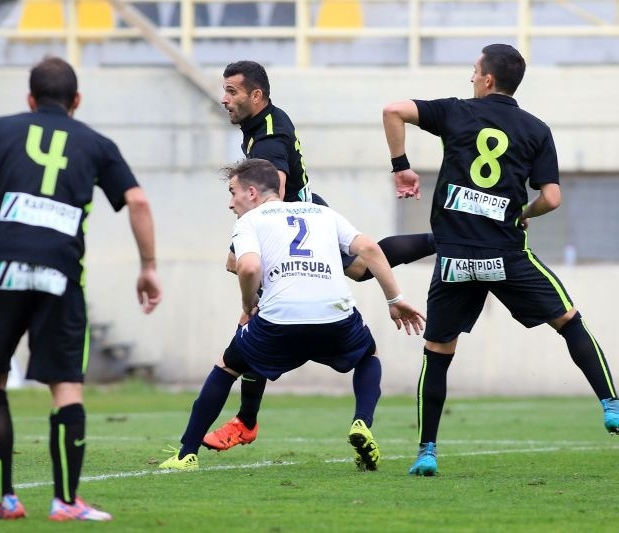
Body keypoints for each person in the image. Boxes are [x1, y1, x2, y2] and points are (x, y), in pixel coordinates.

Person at [0, 57, 162, 519]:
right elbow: (138, 200)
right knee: (66, 387)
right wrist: (147, 266)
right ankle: (66, 501)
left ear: (30, 99)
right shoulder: (96, 143)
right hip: (59, 272)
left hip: (1, 265)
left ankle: (6, 498)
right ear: (76, 102)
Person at [382, 43, 619, 477]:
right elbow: (551, 197)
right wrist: (522, 214)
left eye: (473, 71)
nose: (470, 78)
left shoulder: (455, 113)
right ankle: (611, 404)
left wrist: (402, 166)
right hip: (507, 255)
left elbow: (392, 110)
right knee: (570, 322)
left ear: (488, 79)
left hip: (455, 260)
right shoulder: (536, 129)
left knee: (437, 354)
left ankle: (427, 451)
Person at [202, 60, 436, 452]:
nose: (223, 99)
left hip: (289, 226)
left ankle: (245, 421)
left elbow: (270, 193)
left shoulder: (269, 138)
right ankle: (446, 238)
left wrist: (243, 242)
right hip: (307, 218)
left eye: (231, 92)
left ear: (255, 95)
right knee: (362, 266)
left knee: (253, 302)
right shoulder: (266, 124)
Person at [159, 158, 425, 471]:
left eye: (233, 193)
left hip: (279, 322)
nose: (231, 203)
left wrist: (247, 305)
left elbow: (247, 266)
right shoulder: (323, 213)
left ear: (253, 193)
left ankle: (187, 454)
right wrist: (395, 298)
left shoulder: (249, 222)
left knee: (228, 367)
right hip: (335, 318)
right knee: (368, 355)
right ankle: (361, 422)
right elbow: (369, 248)